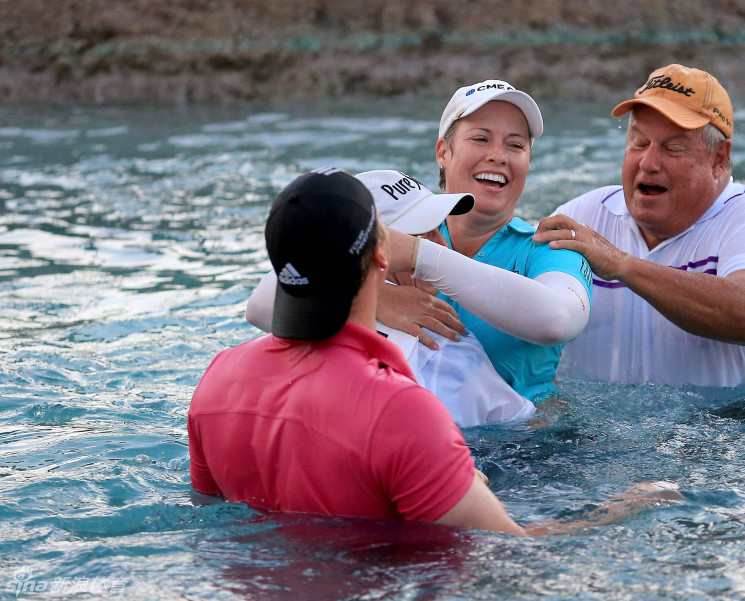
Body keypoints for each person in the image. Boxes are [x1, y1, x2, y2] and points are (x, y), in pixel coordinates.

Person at [189, 167, 682, 534]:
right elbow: (514, 551)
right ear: (385, 254)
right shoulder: (401, 408)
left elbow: (212, 522)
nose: (438, 241)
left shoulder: (218, 379)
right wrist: (632, 504)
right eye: (422, 235)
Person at [533, 64, 745, 387]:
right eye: (638, 142)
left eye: (672, 148)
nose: (648, 163)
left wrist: (622, 265)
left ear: (719, 158)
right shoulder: (585, 215)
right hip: (600, 435)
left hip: (738, 427)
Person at [245, 169, 537, 428]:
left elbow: (261, 301)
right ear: (380, 251)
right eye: (417, 239)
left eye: (439, 229)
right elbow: (522, 430)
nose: (442, 248)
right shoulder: (446, 349)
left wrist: (375, 294)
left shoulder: (292, 331)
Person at [379, 80, 593, 403]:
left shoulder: (550, 250)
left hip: (523, 448)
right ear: (443, 152)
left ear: (528, 163)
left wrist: (419, 257)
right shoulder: (398, 223)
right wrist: (374, 297)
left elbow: (558, 320)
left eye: (516, 145)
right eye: (481, 139)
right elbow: (280, 299)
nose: (498, 156)